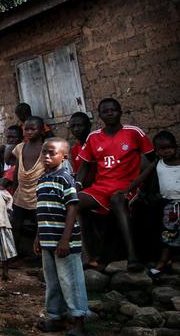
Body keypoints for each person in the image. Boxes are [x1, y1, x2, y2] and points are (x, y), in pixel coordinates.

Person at [75, 98, 156, 271]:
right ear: (100, 115)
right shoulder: (94, 137)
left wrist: (144, 186)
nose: (109, 113)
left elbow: (153, 161)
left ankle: (133, 257)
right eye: (105, 111)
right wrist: (77, 186)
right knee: (73, 201)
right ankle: (89, 256)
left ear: (120, 112)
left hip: (127, 186)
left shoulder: (134, 132)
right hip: (101, 186)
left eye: (113, 110)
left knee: (117, 200)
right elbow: (84, 166)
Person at [34, 138, 87, 335]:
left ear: (63, 157)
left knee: (70, 281)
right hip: (47, 240)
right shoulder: (42, 179)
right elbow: (42, 211)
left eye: (52, 153)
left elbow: (72, 207)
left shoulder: (65, 178)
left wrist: (65, 238)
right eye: (44, 153)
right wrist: (38, 237)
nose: (46, 157)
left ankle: (79, 320)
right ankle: (55, 317)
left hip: (65, 242)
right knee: (53, 282)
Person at [6, 116, 47, 255]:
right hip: (22, 194)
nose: (29, 132)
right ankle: (13, 254)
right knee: (15, 225)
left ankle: (40, 258)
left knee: (40, 227)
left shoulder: (46, 149)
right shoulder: (20, 147)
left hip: (39, 195)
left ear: (41, 131)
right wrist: (14, 190)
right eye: (26, 129)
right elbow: (17, 170)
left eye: (33, 129)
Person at [152, 131, 180, 275]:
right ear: (157, 151)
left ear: (175, 147)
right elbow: (142, 177)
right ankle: (163, 261)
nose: (167, 151)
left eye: (169, 147)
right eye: (162, 149)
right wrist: (126, 190)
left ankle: (173, 259)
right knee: (168, 233)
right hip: (169, 206)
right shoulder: (158, 163)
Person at [68, 112, 92, 182]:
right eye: (73, 126)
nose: (76, 129)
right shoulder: (75, 149)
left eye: (80, 125)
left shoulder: (97, 144)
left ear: (89, 126)